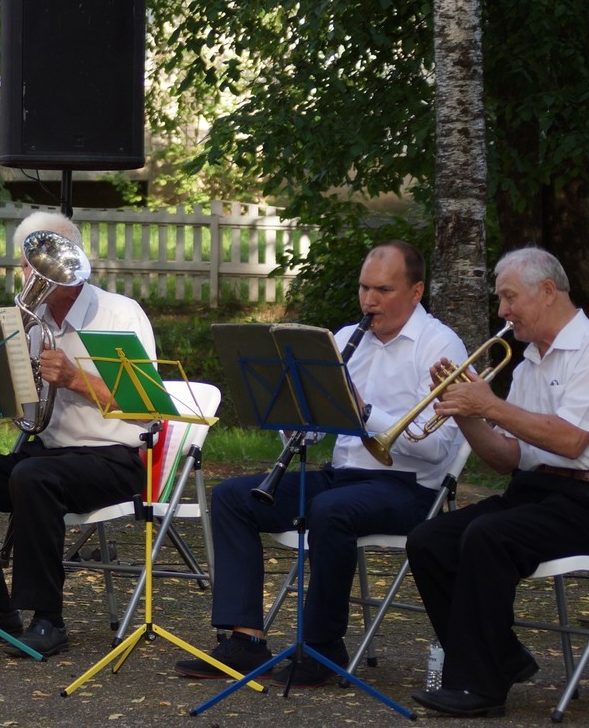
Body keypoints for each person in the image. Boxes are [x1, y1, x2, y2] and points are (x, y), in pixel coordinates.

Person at [174, 241, 468, 685]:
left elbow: (439, 449)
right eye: (364, 288)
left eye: (384, 290)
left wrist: (366, 413)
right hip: (342, 477)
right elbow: (314, 430)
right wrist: (295, 416)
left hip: (408, 487)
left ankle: (321, 647)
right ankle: (245, 640)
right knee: (232, 497)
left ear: (416, 291)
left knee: (331, 511)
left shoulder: (439, 345)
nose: (370, 301)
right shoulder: (348, 337)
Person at [405, 247, 589, 717]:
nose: (502, 312)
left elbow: (572, 440)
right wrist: (468, 413)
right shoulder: (529, 363)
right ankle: (502, 657)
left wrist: (490, 405)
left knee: (488, 536)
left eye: (509, 298)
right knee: (429, 539)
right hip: (538, 495)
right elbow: (506, 458)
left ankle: (479, 687)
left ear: (548, 292)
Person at [0, 212, 156, 658]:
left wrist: (77, 380)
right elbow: (20, 409)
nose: (32, 275)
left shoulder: (118, 313)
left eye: (44, 262)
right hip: (51, 453)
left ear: (74, 262)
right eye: (26, 264)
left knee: (32, 477)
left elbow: (147, 406)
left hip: (114, 457)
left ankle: (48, 620)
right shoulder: (28, 319)